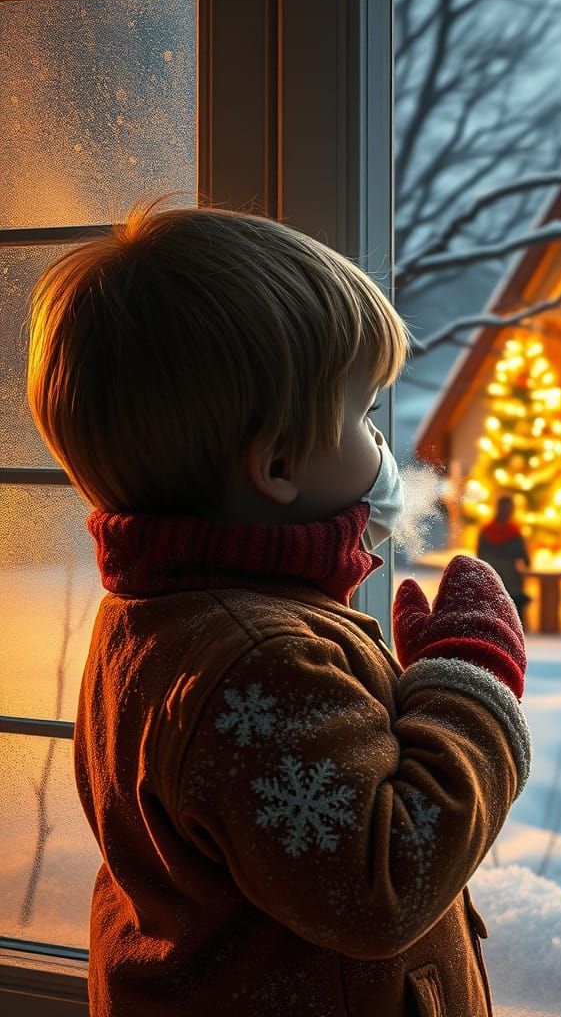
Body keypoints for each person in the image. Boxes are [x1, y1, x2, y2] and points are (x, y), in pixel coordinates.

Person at [27, 203, 530, 1017]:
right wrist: (471, 680)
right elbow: (384, 880)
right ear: (280, 464)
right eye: (364, 413)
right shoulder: (257, 661)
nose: (380, 442)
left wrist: (398, 702)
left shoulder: (164, 615)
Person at [477, 495, 532, 623]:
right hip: (511, 583)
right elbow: (524, 558)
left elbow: (479, 555)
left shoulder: (485, 531)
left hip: (491, 581)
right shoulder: (515, 532)